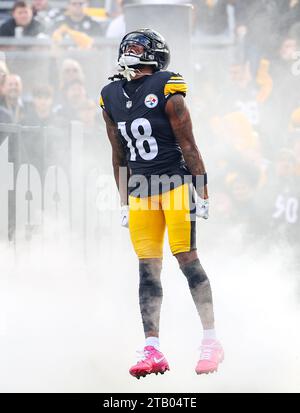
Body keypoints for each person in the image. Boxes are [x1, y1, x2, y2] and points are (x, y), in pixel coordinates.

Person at [100, 28, 224, 379]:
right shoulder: (108, 94)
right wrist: (123, 200)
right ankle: (152, 346)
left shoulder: (168, 87)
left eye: (138, 46)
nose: (131, 50)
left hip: (172, 182)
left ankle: (211, 339)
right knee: (147, 268)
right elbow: (118, 153)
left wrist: (201, 188)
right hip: (139, 189)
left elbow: (188, 142)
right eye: (130, 45)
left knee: (186, 258)